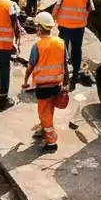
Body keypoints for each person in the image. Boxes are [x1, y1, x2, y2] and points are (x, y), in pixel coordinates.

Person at [26, 13, 69, 150]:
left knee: (44, 111)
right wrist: (66, 82)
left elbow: (31, 66)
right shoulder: (60, 42)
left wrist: (26, 80)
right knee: (49, 109)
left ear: (40, 28)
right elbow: (65, 64)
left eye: (37, 26)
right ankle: (45, 127)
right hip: (56, 84)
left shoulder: (37, 46)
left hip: (43, 86)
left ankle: (51, 142)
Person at [54, 0, 94, 83]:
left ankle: (65, 75)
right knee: (76, 50)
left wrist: (53, 17)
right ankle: (75, 74)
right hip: (79, 28)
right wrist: (84, 15)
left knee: (62, 51)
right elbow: (91, 7)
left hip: (64, 27)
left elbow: (57, 5)